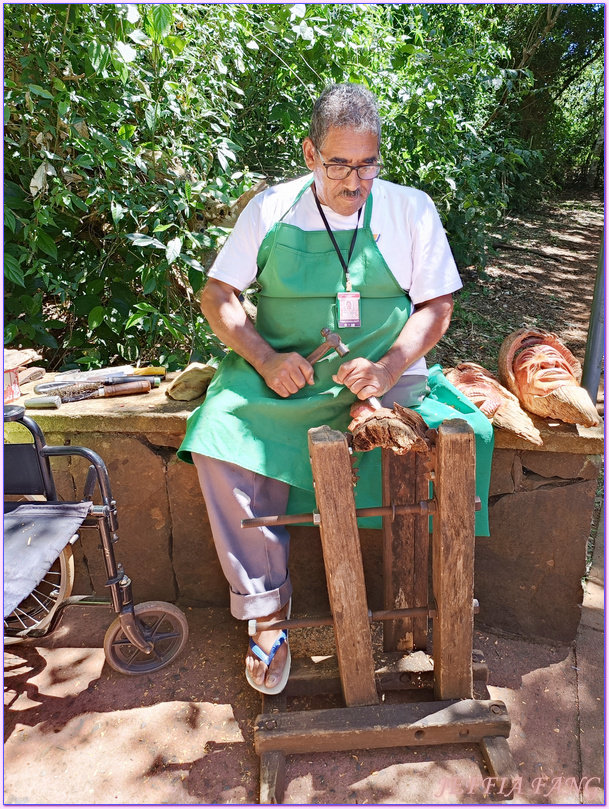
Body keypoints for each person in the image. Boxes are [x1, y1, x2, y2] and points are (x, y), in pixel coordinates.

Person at [178, 83, 493, 695]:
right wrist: (266, 358)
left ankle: (421, 605)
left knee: (442, 444)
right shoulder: (270, 210)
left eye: (367, 164)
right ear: (309, 154)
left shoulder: (410, 209)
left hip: (377, 376)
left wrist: (391, 364)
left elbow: (436, 306)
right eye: (339, 164)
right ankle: (265, 613)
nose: (355, 181)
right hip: (282, 377)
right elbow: (217, 296)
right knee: (218, 436)